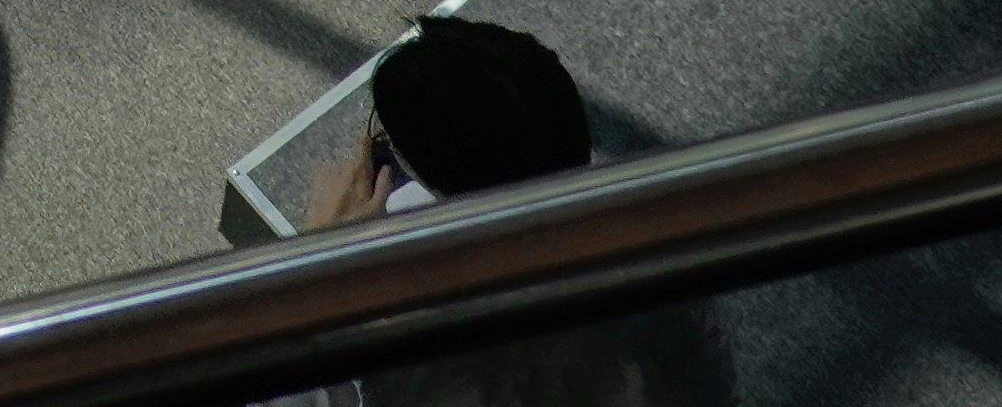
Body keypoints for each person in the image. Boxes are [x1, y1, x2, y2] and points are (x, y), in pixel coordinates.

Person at [286, 20, 733, 405]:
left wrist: (315, 273)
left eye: (384, 141)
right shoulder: (659, 240)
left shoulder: (419, 352)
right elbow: (709, 380)